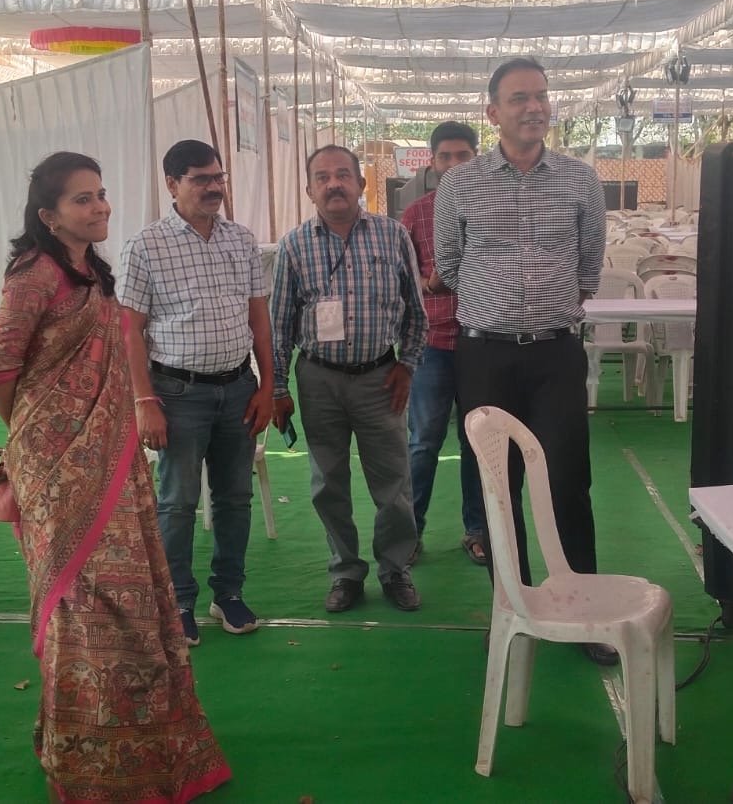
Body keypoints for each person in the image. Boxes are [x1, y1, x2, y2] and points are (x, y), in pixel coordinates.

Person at [0, 152, 231, 802]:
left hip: (110, 459)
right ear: (48, 216)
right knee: (83, 602)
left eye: (101, 194)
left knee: (133, 596)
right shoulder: (34, 275)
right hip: (57, 466)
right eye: (83, 199)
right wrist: (42, 431)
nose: (101, 207)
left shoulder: (91, 269)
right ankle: (87, 757)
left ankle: (146, 743)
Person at [432, 58, 614, 665]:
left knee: (568, 481)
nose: (534, 107)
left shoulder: (581, 180)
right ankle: (513, 606)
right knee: (498, 485)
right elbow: (450, 264)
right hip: (484, 354)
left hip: (555, 353)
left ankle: (582, 610)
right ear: (493, 112)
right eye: (518, 98)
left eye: (540, 96)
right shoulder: (460, 184)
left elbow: (588, 265)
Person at [118, 139, 273, 647]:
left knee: (235, 498)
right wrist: (145, 401)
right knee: (178, 502)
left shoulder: (241, 240)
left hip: (238, 388)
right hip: (177, 393)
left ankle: (228, 593)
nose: (213, 187)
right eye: (200, 179)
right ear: (172, 184)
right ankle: (178, 601)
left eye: (218, 177)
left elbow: (258, 318)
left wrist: (268, 386)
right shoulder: (146, 245)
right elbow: (130, 331)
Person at [271, 145, 428, 613]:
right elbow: (280, 325)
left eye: (343, 175)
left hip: (381, 379)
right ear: (309, 190)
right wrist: (278, 387)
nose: (333, 184)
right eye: (322, 177)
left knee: (394, 484)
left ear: (361, 184)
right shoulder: (293, 245)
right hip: (318, 380)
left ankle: (395, 570)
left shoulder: (392, 236)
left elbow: (416, 313)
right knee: (328, 483)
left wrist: (407, 365)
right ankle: (345, 572)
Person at [400, 121, 487, 566]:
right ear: (432, 163)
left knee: (480, 442)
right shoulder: (416, 214)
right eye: (445, 156)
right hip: (432, 343)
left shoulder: (494, 208)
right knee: (423, 441)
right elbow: (401, 279)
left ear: (477, 158)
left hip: (484, 342)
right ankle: (409, 532)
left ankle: (479, 531)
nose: (454, 164)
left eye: (463, 156)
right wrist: (432, 283)